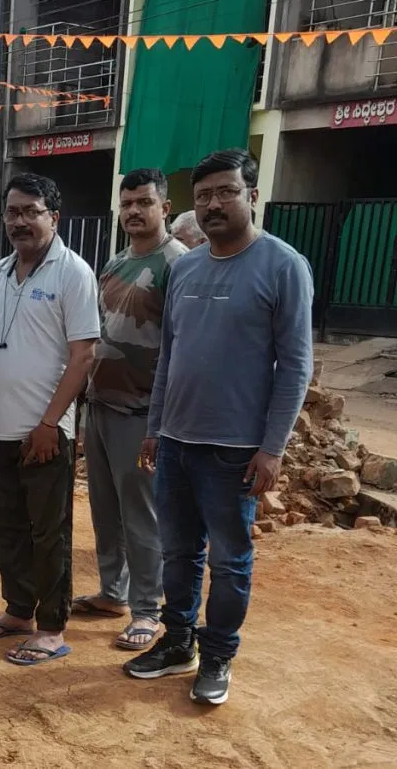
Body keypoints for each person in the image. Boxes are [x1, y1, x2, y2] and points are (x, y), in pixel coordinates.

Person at [125, 148, 313, 705]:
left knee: (230, 560)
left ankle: (218, 657)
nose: (213, 204)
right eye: (203, 195)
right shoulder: (184, 267)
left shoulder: (283, 266)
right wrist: (156, 427)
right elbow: (169, 356)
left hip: (236, 451)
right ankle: (177, 642)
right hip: (177, 444)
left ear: (251, 195)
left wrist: (273, 449)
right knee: (177, 553)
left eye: (226, 191)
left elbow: (296, 365)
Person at [0, 173, 100, 666]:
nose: (19, 221)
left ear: (54, 217)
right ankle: (18, 610)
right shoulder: (0, 271)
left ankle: (51, 627)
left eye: (30, 211)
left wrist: (48, 423)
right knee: (5, 525)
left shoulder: (74, 273)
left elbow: (82, 356)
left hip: (44, 433)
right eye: (12, 212)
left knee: (49, 532)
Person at [75, 168, 188, 651]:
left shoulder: (180, 264)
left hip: (143, 413)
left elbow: (183, 346)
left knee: (141, 515)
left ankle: (147, 610)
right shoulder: (116, 263)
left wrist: (162, 423)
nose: (134, 212)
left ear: (165, 207)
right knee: (104, 509)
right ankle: (112, 592)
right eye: (127, 204)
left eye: (144, 203)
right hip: (101, 405)